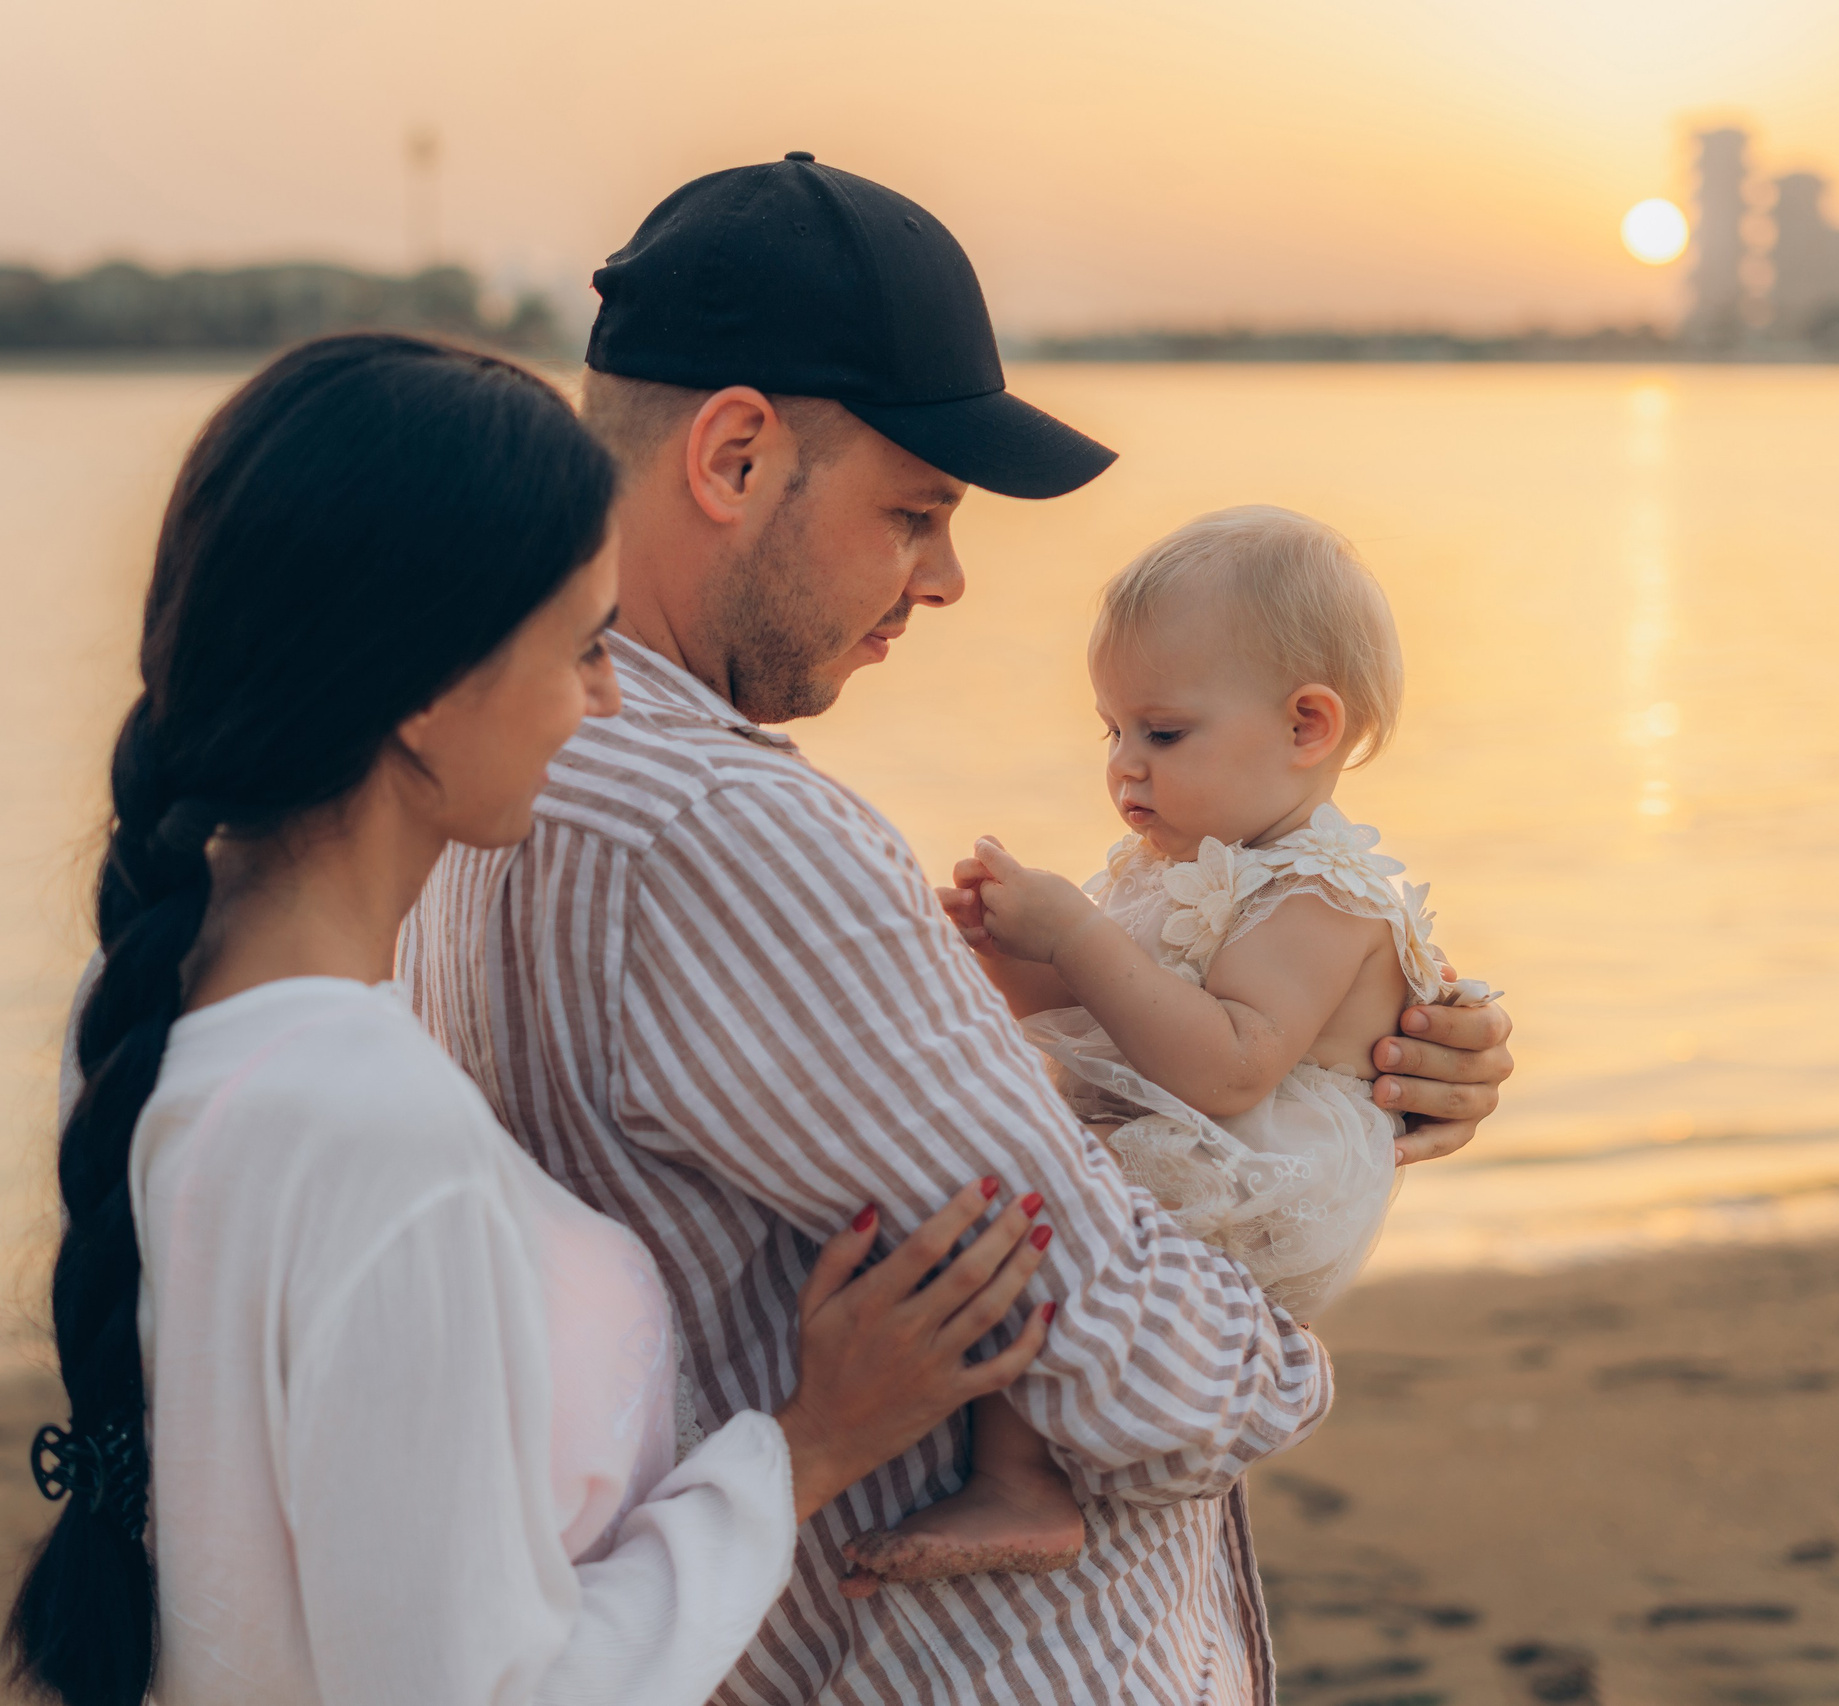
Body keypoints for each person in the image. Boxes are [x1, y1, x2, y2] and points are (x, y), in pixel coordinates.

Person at [404, 157, 1515, 1705]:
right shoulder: (720, 821)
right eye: (914, 512)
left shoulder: (473, 763)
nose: (947, 577)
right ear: (732, 456)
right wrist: (1286, 1335)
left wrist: (1365, 1067)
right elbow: (1109, 1327)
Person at [5, 332, 1063, 1706]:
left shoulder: (161, 1007)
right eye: (583, 644)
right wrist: (804, 1446)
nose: (611, 696)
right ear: (429, 692)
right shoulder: (373, 1124)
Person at [858, 503, 1501, 1585]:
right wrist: (987, 943)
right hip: (1209, 1126)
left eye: (1160, 732)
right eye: (1108, 731)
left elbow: (1229, 1063)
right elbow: (1094, 1000)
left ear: (1306, 727)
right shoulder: (1182, 863)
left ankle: (1022, 1479)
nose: (1123, 768)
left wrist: (1075, 930)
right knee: (1026, 1183)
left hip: (1265, 1173)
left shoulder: (1323, 893)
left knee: (1049, 1197)